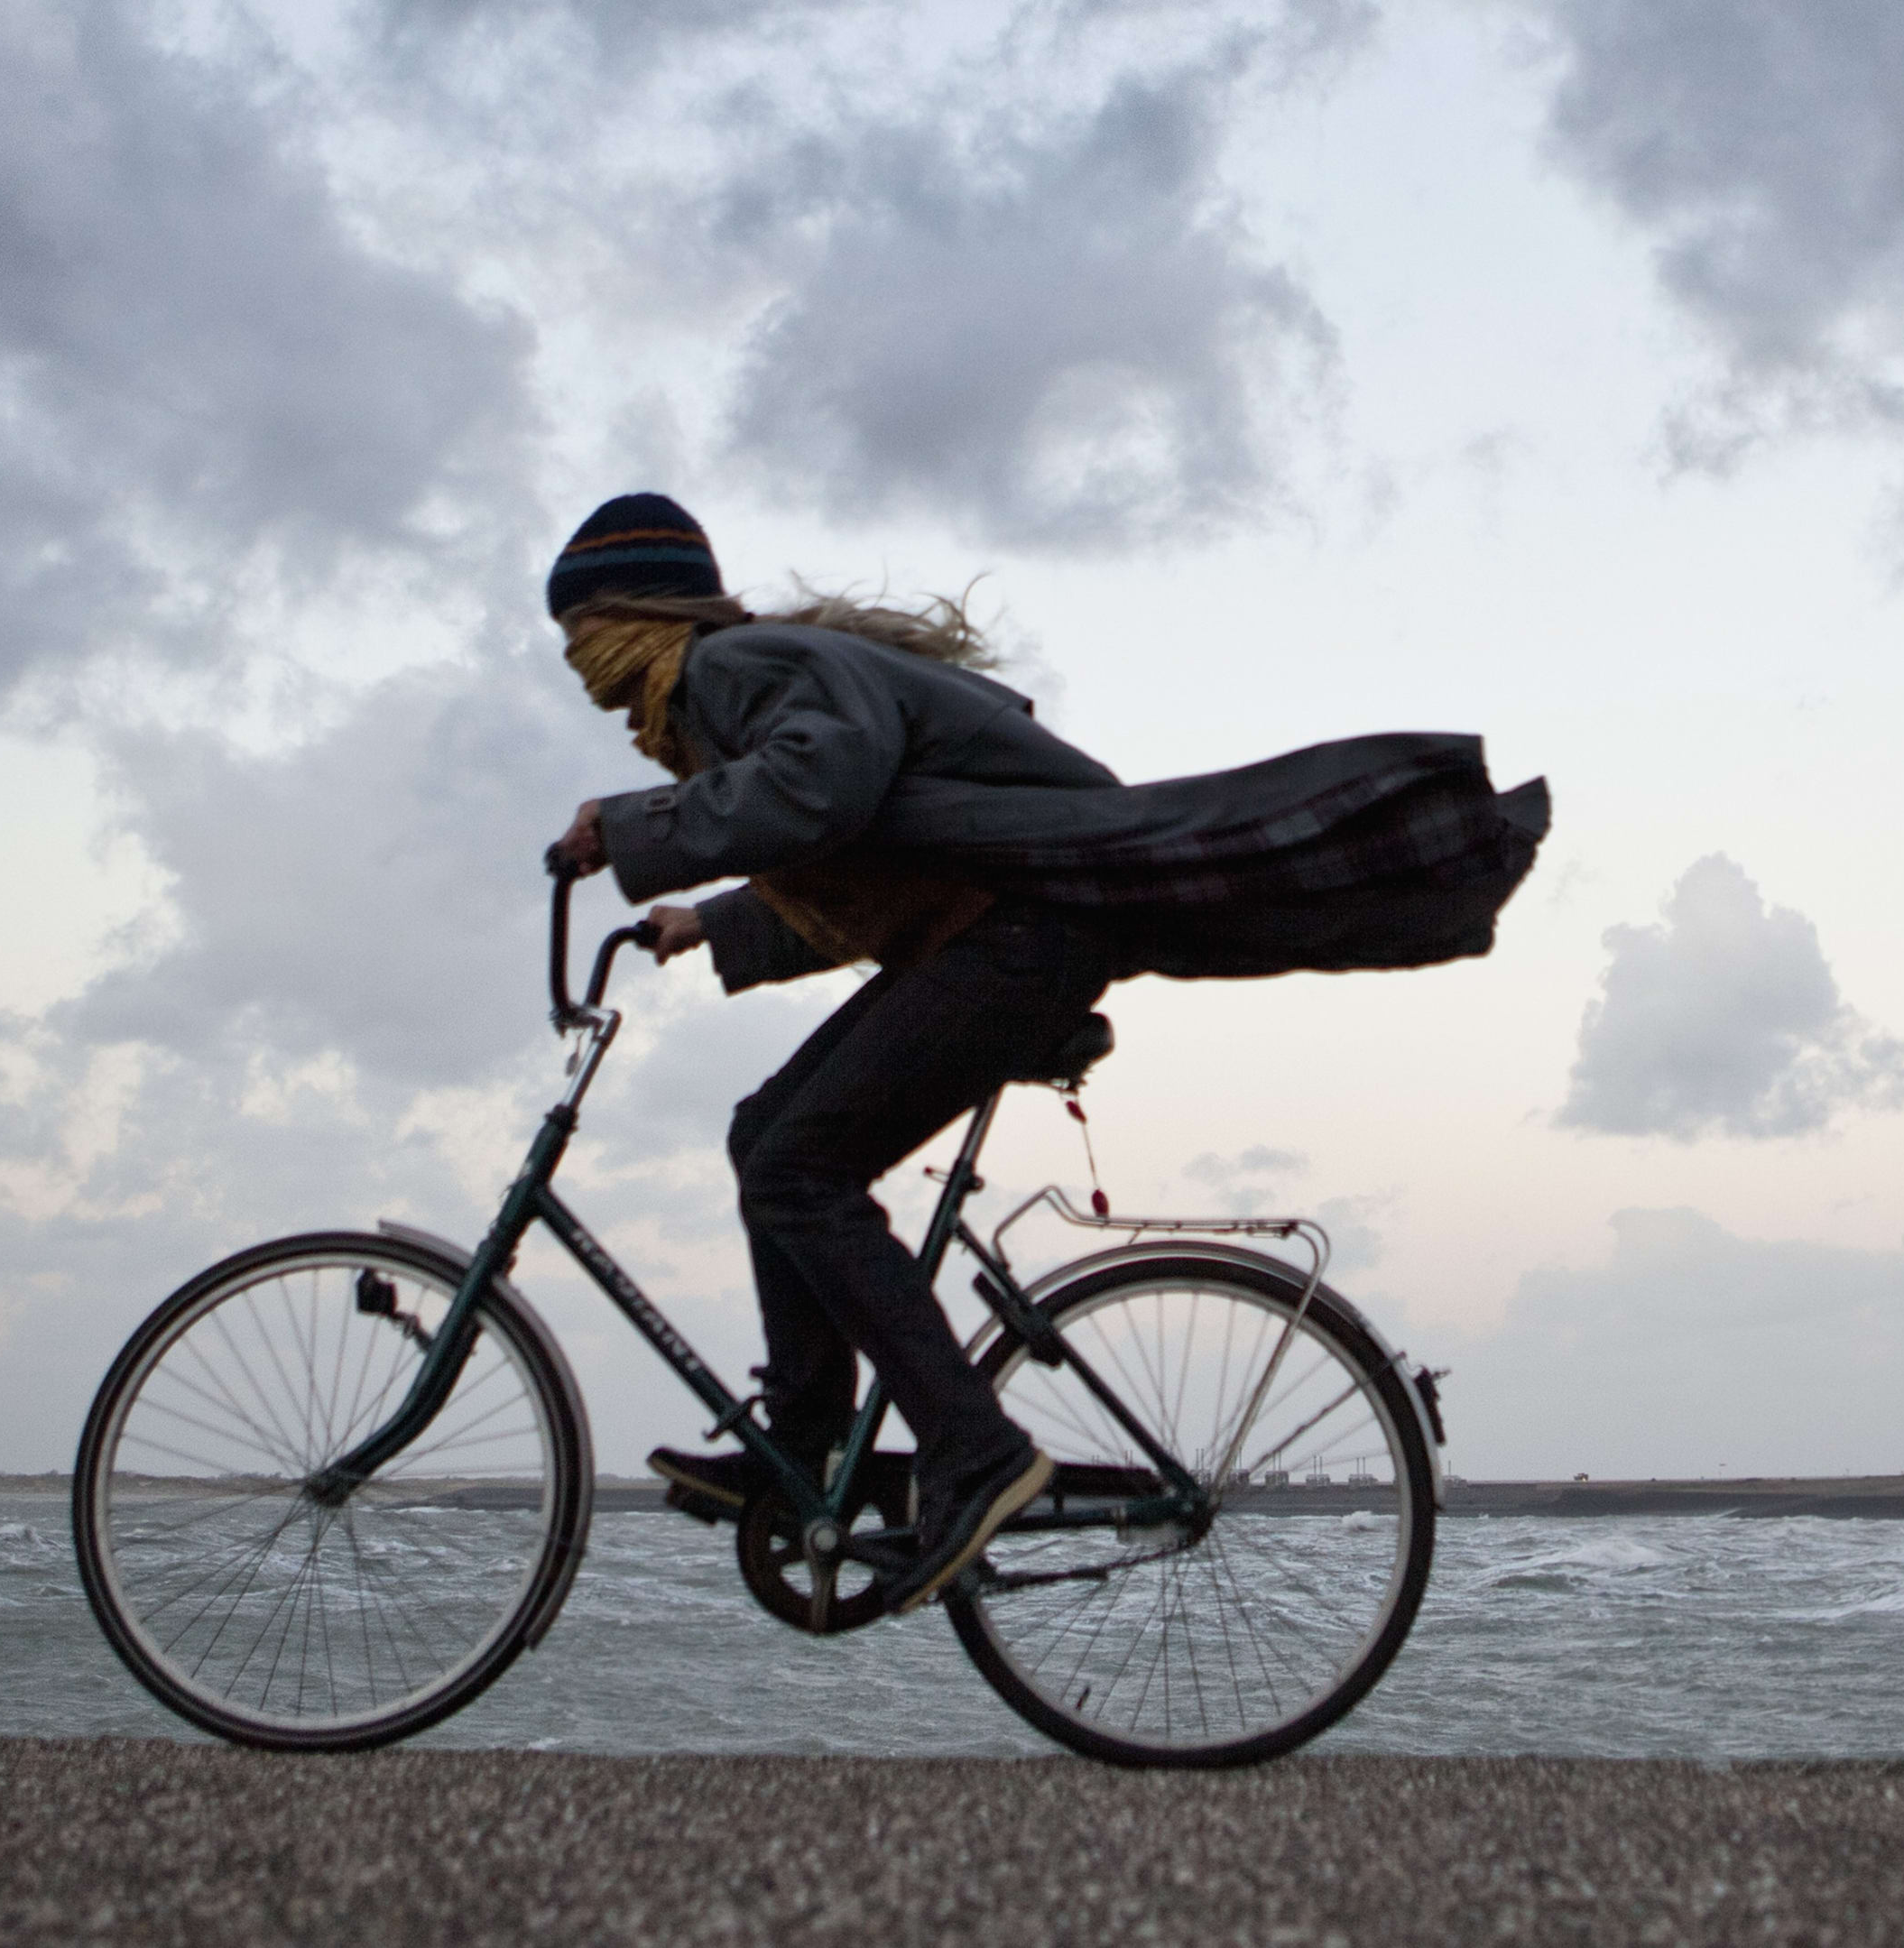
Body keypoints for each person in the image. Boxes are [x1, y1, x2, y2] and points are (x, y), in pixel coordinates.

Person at [541, 492, 1548, 1616]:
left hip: (1022, 936)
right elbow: (874, 844)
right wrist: (718, 921)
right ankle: (812, 1439)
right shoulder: (732, 691)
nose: (579, 662)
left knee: (795, 1166)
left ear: (621, 615)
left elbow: (825, 785)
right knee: (763, 1135)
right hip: (1000, 931)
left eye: (577, 633)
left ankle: (971, 1451)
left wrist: (633, 828)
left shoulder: (737, 668)